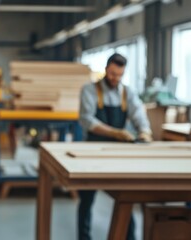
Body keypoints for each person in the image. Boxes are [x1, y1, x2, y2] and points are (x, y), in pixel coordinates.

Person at [78, 53, 152, 240]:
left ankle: (129, 237)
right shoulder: (90, 90)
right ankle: (84, 237)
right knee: (87, 198)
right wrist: (115, 132)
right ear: (106, 69)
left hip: (119, 153)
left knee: (126, 195)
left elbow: (138, 115)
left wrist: (145, 131)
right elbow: (86, 119)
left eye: (119, 75)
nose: (115, 78)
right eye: (112, 74)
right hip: (94, 151)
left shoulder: (128, 92)